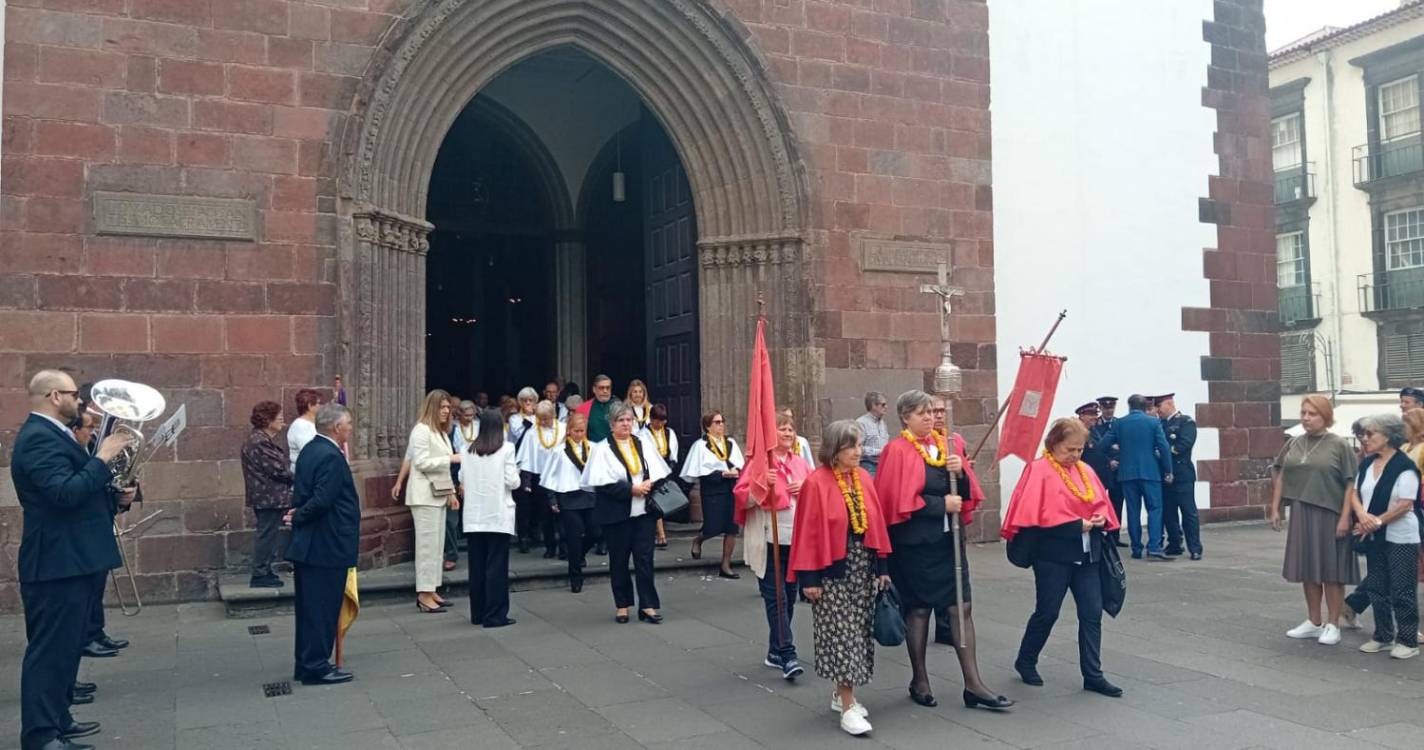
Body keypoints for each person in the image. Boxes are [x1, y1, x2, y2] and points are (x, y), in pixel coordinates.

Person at [13, 370, 130, 750]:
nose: (80, 401)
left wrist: (116, 499)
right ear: (52, 396)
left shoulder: (55, 436)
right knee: (49, 653)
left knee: (65, 650)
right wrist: (103, 458)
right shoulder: (37, 440)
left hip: (74, 558)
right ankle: (41, 735)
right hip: (57, 562)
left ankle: (59, 720)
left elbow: (80, 493)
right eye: (73, 394)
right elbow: (63, 494)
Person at [875, 390, 1012, 710]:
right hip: (915, 546)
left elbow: (967, 492)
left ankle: (973, 683)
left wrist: (960, 472)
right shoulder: (896, 450)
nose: (929, 417)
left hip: (948, 543)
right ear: (905, 418)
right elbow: (895, 500)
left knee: (961, 608)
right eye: (921, 413)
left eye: (932, 412)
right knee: (919, 610)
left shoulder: (946, 445)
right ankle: (919, 679)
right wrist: (940, 504)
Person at [787, 419, 893, 737]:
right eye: (853, 446)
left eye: (860, 445)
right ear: (836, 449)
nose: (860, 451)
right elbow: (807, 532)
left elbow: (877, 523)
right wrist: (809, 578)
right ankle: (848, 707)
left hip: (862, 569)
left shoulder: (863, 478)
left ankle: (840, 694)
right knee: (842, 638)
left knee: (858, 635)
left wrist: (882, 568)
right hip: (831, 573)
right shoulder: (816, 483)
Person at [1005, 418, 1124, 698]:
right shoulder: (1039, 470)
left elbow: (1101, 504)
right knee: (1048, 612)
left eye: (1079, 450)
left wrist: (1100, 517)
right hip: (1053, 555)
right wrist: (1074, 525)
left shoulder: (1084, 470)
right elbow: (1033, 516)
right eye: (1069, 449)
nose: (1074, 455)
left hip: (1087, 554)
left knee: (1092, 614)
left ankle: (1093, 675)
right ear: (1054, 444)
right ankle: (1027, 660)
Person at [1268, 394, 1359, 646]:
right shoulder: (1295, 443)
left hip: (1330, 512)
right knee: (1308, 568)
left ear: (1325, 416)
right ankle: (1313, 620)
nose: (1306, 418)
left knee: (1331, 570)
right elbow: (1282, 474)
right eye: (1303, 413)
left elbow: (1351, 482)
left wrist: (1345, 518)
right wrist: (1275, 507)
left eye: (1312, 414)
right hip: (1301, 512)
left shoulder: (1339, 445)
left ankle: (1333, 624)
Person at [284, 403, 360, 686]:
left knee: (309, 609)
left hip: (313, 544)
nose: (351, 428)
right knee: (322, 609)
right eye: (348, 423)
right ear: (336, 427)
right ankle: (316, 665)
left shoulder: (311, 449)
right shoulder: (330, 455)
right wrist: (298, 516)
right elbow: (322, 499)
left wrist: (297, 515)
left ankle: (306, 662)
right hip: (326, 544)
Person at [733, 412, 812, 681]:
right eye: (782, 429)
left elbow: (816, 490)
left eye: (791, 429)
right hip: (770, 539)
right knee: (775, 596)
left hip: (795, 538)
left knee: (789, 596)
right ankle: (788, 654)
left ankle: (774, 651)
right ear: (770, 434)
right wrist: (760, 486)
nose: (788, 433)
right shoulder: (758, 464)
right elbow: (742, 498)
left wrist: (806, 488)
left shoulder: (801, 463)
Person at [582, 404, 671, 624]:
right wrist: (631, 489)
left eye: (629, 420)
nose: (626, 424)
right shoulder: (602, 449)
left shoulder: (642, 443)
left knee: (644, 559)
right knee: (619, 560)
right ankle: (622, 605)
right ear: (612, 424)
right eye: (621, 420)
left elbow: (660, 473)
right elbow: (602, 485)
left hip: (644, 512)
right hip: (616, 514)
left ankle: (648, 605)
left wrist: (649, 484)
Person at [1349, 413, 1421, 659]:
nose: (1365, 439)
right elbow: (1355, 493)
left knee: (1402, 588)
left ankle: (1408, 640)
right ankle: (1383, 635)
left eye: (1370, 434)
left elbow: (1405, 505)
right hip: (1375, 534)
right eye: (1363, 434)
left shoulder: (1405, 467)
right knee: (1377, 587)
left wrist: (1376, 521)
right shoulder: (1368, 464)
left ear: (1389, 436)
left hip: (1401, 536)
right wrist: (1362, 515)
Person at [460, 408, 521, 628]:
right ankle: (495, 614)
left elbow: (461, 476)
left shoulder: (467, 449)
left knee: (476, 566)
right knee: (496, 566)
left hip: (474, 515)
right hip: (497, 514)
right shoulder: (506, 449)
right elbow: (512, 482)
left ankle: (478, 612)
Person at [406, 390, 462, 613]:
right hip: (423, 496)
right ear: (432, 408)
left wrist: (451, 493)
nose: (446, 411)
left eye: (448, 407)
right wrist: (451, 458)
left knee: (437, 546)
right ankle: (423, 594)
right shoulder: (421, 430)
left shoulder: (439, 432)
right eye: (442, 407)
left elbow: (442, 471)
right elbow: (420, 463)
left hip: (437, 495)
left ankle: (432, 589)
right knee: (427, 546)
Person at [1100, 394, 1173, 560]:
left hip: (1127, 474)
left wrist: (1116, 452)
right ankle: (1154, 547)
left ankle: (1136, 548)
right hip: (1150, 472)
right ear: (1145, 406)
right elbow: (1163, 447)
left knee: (1133, 511)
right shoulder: (1153, 422)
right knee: (1154, 509)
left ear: (1129, 406)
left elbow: (1102, 445)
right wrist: (1168, 470)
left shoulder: (1120, 423)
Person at [681, 410, 744, 579]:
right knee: (713, 526)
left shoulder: (730, 442)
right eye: (717, 422)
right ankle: (699, 539)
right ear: (708, 426)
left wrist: (735, 471)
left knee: (732, 527)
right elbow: (700, 471)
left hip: (731, 488)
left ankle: (725, 565)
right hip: (713, 490)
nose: (721, 425)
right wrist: (721, 474)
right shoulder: (700, 445)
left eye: (722, 421)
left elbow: (740, 464)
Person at [542, 413, 599, 592]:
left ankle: (580, 554)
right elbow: (549, 475)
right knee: (573, 537)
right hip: (569, 497)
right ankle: (575, 576)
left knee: (595, 531)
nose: (579, 434)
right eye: (576, 431)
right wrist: (552, 498)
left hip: (590, 495)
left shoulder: (593, 448)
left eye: (582, 431)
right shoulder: (559, 451)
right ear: (568, 431)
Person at [242, 401, 294, 588]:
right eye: (279, 418)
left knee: (268, 534)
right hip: (268, 497)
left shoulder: (259, 439)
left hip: (267, 495)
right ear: (268, 419)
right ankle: (260, 573)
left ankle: (265, 570)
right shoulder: (259, 441)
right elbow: (279, 470)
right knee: (267, 535)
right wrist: (300, 476)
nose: (282, 421)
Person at [516, 400, 565, 559]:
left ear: (553, 415)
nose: (543, 422)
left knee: (563, 514)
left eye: (546, 418)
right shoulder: (532, 433)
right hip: (541, 478)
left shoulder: (563, 429)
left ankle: (564, 548)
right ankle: (550, 546)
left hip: (562, 476)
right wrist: (527, 481)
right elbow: (526, 457)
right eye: (540, 419)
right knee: (546, 514)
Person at [1155, 394, 1202, 560]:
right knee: (1169, 513)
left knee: (1188, 513)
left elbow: (1184, 444)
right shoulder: (1159, 424)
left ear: (1169, 404)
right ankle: (1175, 543)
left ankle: (1195, 548)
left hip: (1182, 474)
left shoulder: (1186, 422)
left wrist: (1162, 453)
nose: (1157, 411)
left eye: (1159, 407)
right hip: (1164, 475)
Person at [446, 401, 481, 572]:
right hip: (455, 468)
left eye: (471, 415)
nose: (469, 418)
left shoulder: (479, 426)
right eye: (466, 415)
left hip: (476, 467)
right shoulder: (452, 428)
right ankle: (453, 545)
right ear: (459, 414)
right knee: (453, 508)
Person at [641, 403, 681, 548]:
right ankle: (661, 534)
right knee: (654, 500)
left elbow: (673, 452)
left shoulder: (669, 432)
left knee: (662, 500)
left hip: (665, 467)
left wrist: (669, 468)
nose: (660, 424)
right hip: (650, 469)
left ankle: (660, 532)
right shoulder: (644, 433)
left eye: (663, 421)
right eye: (657, 420)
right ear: (651, 419)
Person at [1092, 396, 1127, 547]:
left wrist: (1117, 460)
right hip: (1101, 471)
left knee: (1117, 503)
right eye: (1106, 409)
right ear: (1101, 408)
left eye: (1111, 408)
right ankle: (1098, 534)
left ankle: (1114, 536)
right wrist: (1108, 461)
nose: (1109, 411)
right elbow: (1095, 448)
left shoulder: (1120, 424)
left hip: (1117, 471)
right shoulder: (1094, 425)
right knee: (1097, 503)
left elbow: (1125, 445)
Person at [287, 388, 323, 472]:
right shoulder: (300, 426)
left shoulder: (313, 424)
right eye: (319, 403)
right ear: (310, 406)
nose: (321, 406)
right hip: (306, 473)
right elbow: (311, 452)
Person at [855, 391, 889, 475]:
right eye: (883, 405)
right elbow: (857, 447)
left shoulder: (882, 423)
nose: (886, 407)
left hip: (883, 464)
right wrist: (879, 451)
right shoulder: (861, 423)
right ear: (874, 405)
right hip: (868, 465)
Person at [577, 374, 618, 443]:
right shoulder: (582, 409)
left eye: (608, 388)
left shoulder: (620, 408)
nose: (605, 391)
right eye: (601, 388)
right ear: (594, 389)